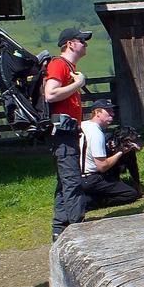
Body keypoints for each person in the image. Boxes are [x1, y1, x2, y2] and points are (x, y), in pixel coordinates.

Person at [44, 26, 91, 239]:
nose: (86, 44)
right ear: (70, 43)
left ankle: (59, 229)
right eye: (82, 40)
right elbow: (51, 94)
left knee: (65, 180)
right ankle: (77, 229)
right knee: (72, 180)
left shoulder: (68, 67)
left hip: (68, 132)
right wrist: (79, 83)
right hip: (62, 133)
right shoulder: (58, 65)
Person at [79, 99, 141, 209]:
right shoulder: (97, 134)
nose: (112, 115)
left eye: (113, 112)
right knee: (130, 194)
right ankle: (89, 202)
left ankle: (85, 196)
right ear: (97, 113)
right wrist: (121, 152)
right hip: (92, 178)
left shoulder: (83, 125)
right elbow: (102, 166)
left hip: (76, 177)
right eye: (108, 112)